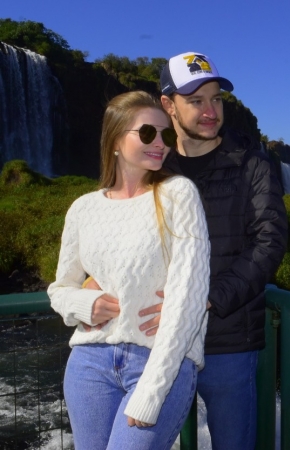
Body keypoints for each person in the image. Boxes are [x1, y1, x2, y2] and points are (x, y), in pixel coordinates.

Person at [48, 91, 210, 449]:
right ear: (116, 140)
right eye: (147, 133)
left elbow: (189, 295)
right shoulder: (83, 209)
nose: (161, 144)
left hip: (157, 361)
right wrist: (82, 304)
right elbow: (59, 288)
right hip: (89, 363)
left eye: (167, 135)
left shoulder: (178, 194)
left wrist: (152, 390)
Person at [148, 51, 287, 449]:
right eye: (196, 101)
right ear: (167, 105)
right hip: (161, 342)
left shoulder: (252, 165)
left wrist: (207, 298)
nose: (211, 111)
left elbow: (269, 242)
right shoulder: (154, 171)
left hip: (228, 343)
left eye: (217, 99)